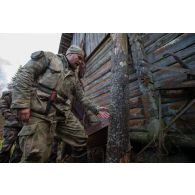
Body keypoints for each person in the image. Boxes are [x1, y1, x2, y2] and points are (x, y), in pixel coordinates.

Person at [11, 45, 110, 163]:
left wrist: (96, 109)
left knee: (81, 139)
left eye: (82, 59)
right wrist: (22, 104)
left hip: (62, 113)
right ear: (70, 53)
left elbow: (82, 98)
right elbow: (25, 74)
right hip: (40, 110)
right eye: (79, 57)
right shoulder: (50, 58)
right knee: (36, 154)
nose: (80, 61)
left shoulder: (74, 78)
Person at [0, 87, 22, 163]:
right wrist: (12, 119)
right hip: (11, 126)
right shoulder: (8, 94)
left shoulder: (27, 95)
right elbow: (3, 108)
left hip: (24, 126)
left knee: (19, 150)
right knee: (6, 148)